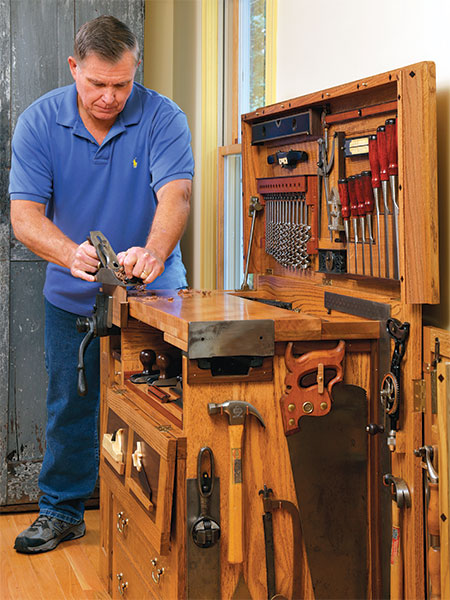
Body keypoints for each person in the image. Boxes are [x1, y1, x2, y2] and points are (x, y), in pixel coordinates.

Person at [9, 15, 194, 553]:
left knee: (161, 408)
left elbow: (175, 197)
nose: (110, 97)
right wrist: (71, 254)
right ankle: (63, 512)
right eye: (97, 84)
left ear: (135, 71)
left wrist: (154, 251)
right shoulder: (39, 123)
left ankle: (165, 519)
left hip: (154, 297)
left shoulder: (164, 118)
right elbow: (24, 217)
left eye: (121, 84)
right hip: (72, 298)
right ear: (74, 68)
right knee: (69, 404)